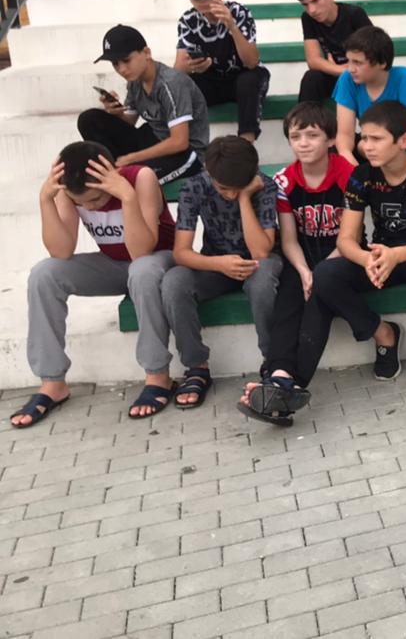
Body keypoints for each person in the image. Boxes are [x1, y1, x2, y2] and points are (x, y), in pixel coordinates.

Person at [11, 143, 177, 427]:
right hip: (115, 264)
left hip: (157, 260)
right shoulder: (69, 192)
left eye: (96, 198)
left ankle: (158, 375)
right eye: (82, 202)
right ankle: (53, 382)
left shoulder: (141, 178)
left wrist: (127, 197)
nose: (89, 207)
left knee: (141, 271)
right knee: (44, 274)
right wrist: (46, 200)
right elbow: (61, 251)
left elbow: (141, 251)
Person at [307, 101, 406, 387]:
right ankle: (383, 333)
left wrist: (398, 255)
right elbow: (346, 239)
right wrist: (366, 260)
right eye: (364, 138)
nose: (366, 146)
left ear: (404, 141)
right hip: (381, 256)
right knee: (325, 274)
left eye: (376, 139)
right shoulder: (362, 176)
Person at [237, 103, 356, 425]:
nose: (303, 143)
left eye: (312, 135)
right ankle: (279, 375)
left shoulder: (348, 174)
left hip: (343, 256)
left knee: (318, 298)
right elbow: (289, 240)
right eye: (295, 136)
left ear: (330, 139)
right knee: (288, 300)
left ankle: (286, 384)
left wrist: (318, 273)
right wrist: (304, 271)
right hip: (302, 257)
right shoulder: (284, 181)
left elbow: (351, 236)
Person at [161, 136, 283, 409]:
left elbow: (261, 251)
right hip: (216, 264)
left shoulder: (263, 185)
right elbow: (181, 252)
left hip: (257, 263)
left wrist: (245, 198)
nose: (230, 194)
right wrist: (220, 264)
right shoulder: (194, 187)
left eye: (237, 188)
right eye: (224, 188)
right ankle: (196, 367)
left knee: (263, 278)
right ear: (208, 172)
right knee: (173, 281)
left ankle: (273, 363)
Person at [77, 24, 207, 184]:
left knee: (136, 178)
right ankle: (111, 170)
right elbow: (130, 122)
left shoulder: (171, 83)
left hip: (185, 153)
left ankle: (118, 173)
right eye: (115, 64)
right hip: (154, 139)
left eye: (126, 60)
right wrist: (116, 112)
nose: (122, 69)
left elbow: (180, 142)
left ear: (146, 53)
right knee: (89, 119)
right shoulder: (135, 81)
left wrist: (132, 158)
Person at [173, 0, 270, 141]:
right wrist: (194, 67)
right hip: (212, 80)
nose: (202, 2)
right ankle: (189, 145)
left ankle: (245, 145)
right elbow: (178, 71)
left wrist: (231, 25)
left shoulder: (239, 12)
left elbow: (251, 62)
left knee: (249, 80)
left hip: (242, 76)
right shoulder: (188, 20)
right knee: (182, 86)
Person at [334, 26, 406, 165]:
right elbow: (344, 135)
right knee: (332, 151)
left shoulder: (405, 78)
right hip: (372, 140)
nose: (350, 69)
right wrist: (349, 158)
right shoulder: (347, 79)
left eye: (357, 62)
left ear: (382, 63)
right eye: (349, 61)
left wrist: (373, 146)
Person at [294, 0, 373, 103]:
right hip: (336, 73)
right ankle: (305, 117)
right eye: (305, 5)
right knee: (311, 78)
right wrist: (340, 70)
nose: (312, 10)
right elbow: (313, 60)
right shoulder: (308, 18)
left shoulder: (354, 14)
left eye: (315, 1)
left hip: (360, 73)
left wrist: (352, 68)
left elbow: (374, 53)